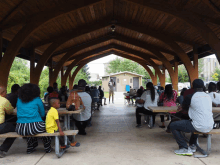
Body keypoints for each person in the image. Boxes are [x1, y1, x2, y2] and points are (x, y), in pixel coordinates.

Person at [170, 79, 214, 156]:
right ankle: (192, 145)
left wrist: (182, 107)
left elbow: (183, 109)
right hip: (210, 125)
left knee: (173, 125)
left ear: (192, 86)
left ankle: (184, 147)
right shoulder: (208, 96)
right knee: (195, 120)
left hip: (198, 125)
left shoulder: (190, 96)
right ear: (203, 86)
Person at [16, 83, 52, 154]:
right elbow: (42, 113)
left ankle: (30, 147)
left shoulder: (19, 100)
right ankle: (47, 147)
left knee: (29, 129)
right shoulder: (37, 99)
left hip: (20, 128)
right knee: (47, 128)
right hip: (35, 127)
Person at [0, 86, 16, 158]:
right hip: (0, 126)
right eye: (6, 92)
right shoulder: (4, 100)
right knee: (16, 129)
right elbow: (10, 111)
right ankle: (2, 149)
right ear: (3, 93)